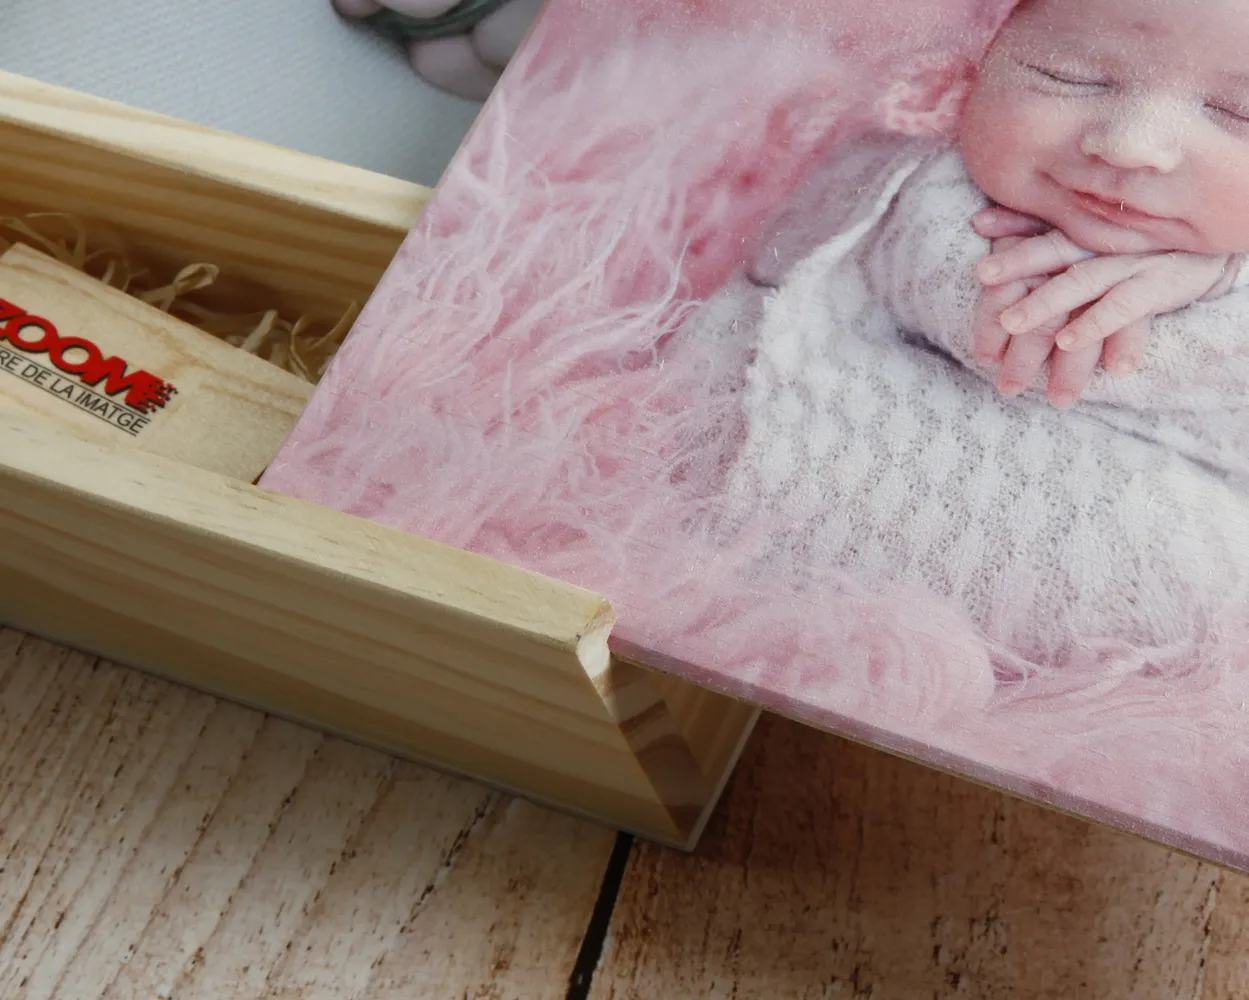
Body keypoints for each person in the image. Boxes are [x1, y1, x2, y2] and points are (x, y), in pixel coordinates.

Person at [716, 0, 1249, 671]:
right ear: (970, 59)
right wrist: (1069, 292)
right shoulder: (934, 174)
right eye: (1072, 76)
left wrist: (1217, 283)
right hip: (832, 435)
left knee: (1209, 579)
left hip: (1161, 536)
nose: (1130, 145)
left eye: (1238, 115)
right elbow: (1006, 326)